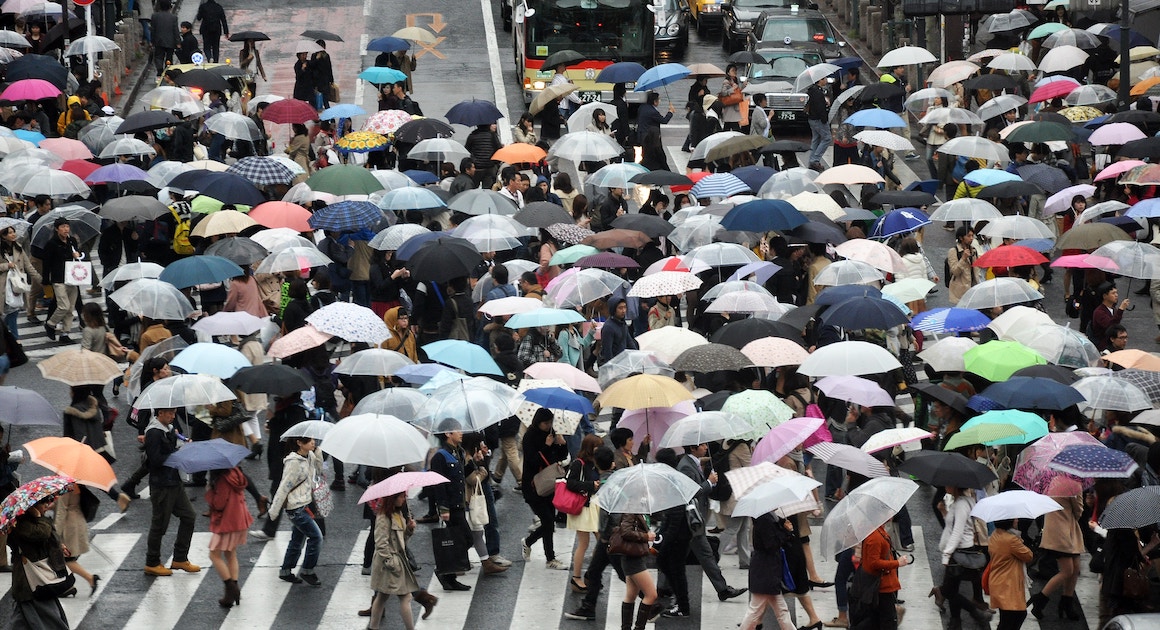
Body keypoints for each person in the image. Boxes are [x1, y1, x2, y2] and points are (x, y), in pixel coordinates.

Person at [143, 407, 201, 577]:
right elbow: (155, 460)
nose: (172, 416)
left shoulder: (168, 429)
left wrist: (182, 444)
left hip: (174, 482)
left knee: (189, 516)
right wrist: (178, 453)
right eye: (169, 413)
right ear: (160, 413)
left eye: (174, 413)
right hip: (162, 485)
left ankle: (180, 558)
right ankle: (152, 562)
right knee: (159, 525)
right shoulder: (154, 432)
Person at [9, 493, 73, 628]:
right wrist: (39, 517)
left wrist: (60, 545)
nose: (47, 506)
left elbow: (49, 535)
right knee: (46, 617)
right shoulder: (22, 523)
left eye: (47, 502)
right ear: (32, 507)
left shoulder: (36, 520)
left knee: (23, 619)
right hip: (31, 580)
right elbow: (40, 534)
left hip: (36, 579)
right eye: (43, 503)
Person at [267, 436, 325, 586]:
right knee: (316, 537)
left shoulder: (310, 455)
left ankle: (285, 571)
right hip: (296, 508)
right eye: (309, 441)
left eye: (313, 440)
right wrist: (274, 511)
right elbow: (284, 486)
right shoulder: (293, 462)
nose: (313, 442)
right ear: (299, 443)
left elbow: (317, 473)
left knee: (297, 540)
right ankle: (307, 571)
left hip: (305, 504)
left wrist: (318, 455)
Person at [520, 408, 569, 570]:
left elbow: (561, 457)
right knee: (547, 521)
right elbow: (533, 461)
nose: (548, 426)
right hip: (534, 486)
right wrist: (547, 446)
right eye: (545, 423)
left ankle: (550, 558)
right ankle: (529, 543)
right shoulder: (529, 436)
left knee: (550, 522)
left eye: (550, 423)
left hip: (550, 484)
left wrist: (562, 444)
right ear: (538, 422)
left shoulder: (552, 433)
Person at [938, 486, 992, 629]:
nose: (945, 486)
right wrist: (944, 512)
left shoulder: (961, 504)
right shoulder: (963, 501)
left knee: (948, 591)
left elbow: (958, 531)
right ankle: (955, 622)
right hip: (961, 549)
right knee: (952, 589)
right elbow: (954, 525)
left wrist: (946, 555)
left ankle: (977, 613)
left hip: (959, 551)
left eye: (948, 483)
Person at [427, 426, 473, 591]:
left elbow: (461, 476)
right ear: (448, 433)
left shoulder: (458, 452)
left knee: (460, 540)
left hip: (459, 504)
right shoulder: (440, 456)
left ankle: (448, 575)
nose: (461, 433)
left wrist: (476, 461)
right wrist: (443, 508)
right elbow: (439, 485)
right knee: (465, 539)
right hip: (451, 507)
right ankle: (445, 572)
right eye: (457, 430)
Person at [367, 492, 420, 630]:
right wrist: (391, 562)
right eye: (402, 496)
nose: (404, 499)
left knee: (382, 596)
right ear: (393, 498)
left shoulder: (398, 514)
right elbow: (380, 544)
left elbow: (401, 539)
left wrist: (409, 529)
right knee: (405, 597)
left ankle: (373, 627)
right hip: (389, 564)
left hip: (395, 561)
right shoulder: (383, 517)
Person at [1027, 494, 1085, 620]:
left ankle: (1066, 603)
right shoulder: (1072, 485)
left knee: (1075, 568)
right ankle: (1040, 599)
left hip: (1058, 528)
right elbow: (1078, 510)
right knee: (1067, 571)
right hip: (1064, 532)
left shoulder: (1052, 481)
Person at [205, 465, 252, 607]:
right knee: (231, 553)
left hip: (227, 521)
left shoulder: (222, 479)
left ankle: (231, 588)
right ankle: (232, 593)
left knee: (214, 554)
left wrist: (210, 492)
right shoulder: (235, 472)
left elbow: (219, 504)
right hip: (239, 518)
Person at [739, 512, 795, 630]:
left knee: (781, 611)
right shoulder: (765, 519)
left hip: (766, 569)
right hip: (766, 570)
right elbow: (771, 544)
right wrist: (786, 531)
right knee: (755, 611)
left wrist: (782, 526)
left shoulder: (766, 516)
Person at [565, 434, 603, 592]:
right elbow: (570, 483)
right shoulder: (578, 463)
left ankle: (589, 575)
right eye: (597, 446)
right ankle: (577, 578)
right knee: (585, 543)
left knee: (601, 543)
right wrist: (591, 485)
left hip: (595, 505)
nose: (599, 449)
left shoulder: (595, 462)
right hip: (584, 507)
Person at [611, 510, 659, 630]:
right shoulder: (631, 509)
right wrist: (646, 536)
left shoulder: (638, 508)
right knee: (651, 595)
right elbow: (626, 532)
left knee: (631, 595)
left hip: (635, 557)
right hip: (633, 559)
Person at [855, 523, 909, 629]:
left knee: (879, 620)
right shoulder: (874, 536)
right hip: (881, 587)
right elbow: (874, 563)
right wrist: (897, 563)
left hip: (882, 584)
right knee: (886, 621)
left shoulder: (878, 531)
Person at [985, 518, 1033, 630]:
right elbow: (1028, 555)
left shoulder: (995, 535)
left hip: (999, 582)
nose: (1017, 520)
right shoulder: (1011, 540)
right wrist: (1019, 540)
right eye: (1015, 519)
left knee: (1007, 618)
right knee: (1015, 616)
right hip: (1008, 584)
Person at [41, 218, 83, 342]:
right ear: (56, 229)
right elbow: (47, 263)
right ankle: (50, 324)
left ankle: (65, 333)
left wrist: (77, 255)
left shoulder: (72, 241)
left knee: (70, 308)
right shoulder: (52, 243)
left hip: (72, 278)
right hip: (58, 278)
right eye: (63, 227)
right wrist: (45, 279)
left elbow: (78, 256)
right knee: (63, 306)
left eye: (67, 226)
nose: (66, 229)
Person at [0, 225, 40, 339]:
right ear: (3, 236)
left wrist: (40, 279)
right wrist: (6, 265)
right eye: (9, 233)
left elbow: (28, 265)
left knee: (14, 310)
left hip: (17, 284)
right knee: (12, 312)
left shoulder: (18, 247)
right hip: (4, 285)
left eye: (13, 232)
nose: (13, 235)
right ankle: (15, 339)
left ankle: (5, 334)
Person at [636, 92, 674, 171]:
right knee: (656, 155)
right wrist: (670, 112)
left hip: (642, 135)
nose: (659, 101)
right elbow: (664, 120)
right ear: (654, 101)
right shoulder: (653, 112)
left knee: (645, 154)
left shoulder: (642, 107)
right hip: (651, 137)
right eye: (658, 100)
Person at [1091, 282, 1128, 351]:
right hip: (1103, 347)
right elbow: (1111, 326)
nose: (1116, 295)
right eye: (1113, 293)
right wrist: (1121, 309)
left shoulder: (1113, 309)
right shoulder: (1099, 312)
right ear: (1105, 296)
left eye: (1116, 293)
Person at [598, 297, 637, 364]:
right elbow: (607, 351)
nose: (623, 310)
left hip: (624, 361)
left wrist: (637, 355)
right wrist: (612, 367)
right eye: (620, 308)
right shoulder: (608, 327)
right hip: (614, 363)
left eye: (625, 307)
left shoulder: (622, 323)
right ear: (613, 309)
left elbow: (629, 341)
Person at [947, 226, 978, 306]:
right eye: (968, 236)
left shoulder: (973, 250)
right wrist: (963, 259)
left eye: (972, 236)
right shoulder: (953, 251)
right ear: (961, 238)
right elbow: (955, 271)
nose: (971, 238)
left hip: (973, 289)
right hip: (960, 292)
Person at [806, 77, 830, 171]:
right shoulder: (818, 93)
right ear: (820, 80)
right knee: (827, 138)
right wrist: (824, 119)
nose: (826, 80)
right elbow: (819, 108)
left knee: (816, 139)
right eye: (824, 79)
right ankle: (815, 160)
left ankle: (812, 160)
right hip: (818, 119)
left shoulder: (812, 91)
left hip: (812, 118)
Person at [150, 0, 180, 76]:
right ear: (170, 7)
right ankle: (168, 70)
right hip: (170, 41)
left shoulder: (155, 16)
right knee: (169, 56)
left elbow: (153, 30)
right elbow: (175, 30)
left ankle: (160, 70)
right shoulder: (173, 17)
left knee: (159, 56)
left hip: (158, 40)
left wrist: (152, 41)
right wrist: (178, 42)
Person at [718, 63, 744, 132]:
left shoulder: (735, 80)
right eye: (733, 70)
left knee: (728, 126)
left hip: (733, 107)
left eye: (735, 70)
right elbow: (723, 92)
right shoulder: (726, 81)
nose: (735, 72)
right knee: (734, 126)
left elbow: (738, 92)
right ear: (728, 72)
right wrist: (732, 88)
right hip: (730, 107)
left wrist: (743, 86)